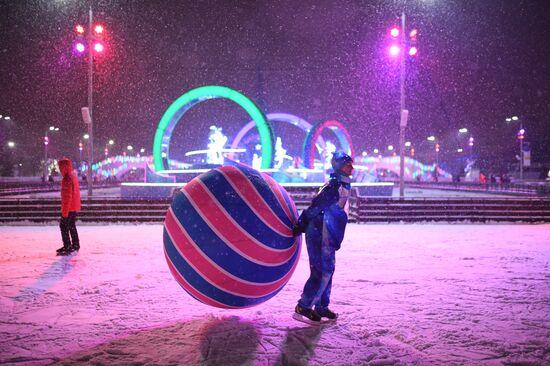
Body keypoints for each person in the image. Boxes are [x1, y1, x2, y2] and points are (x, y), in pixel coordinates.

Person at [292, 151, 354, 324]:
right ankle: (303, 307)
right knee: (321, 271)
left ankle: (321, 306)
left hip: (329, 233)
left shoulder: (342, 184)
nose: (352, 168)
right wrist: (301, 224)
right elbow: (315, 207)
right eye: (348, 165)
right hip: (320, 232)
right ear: (340, 166)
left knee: (328, 270)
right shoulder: (334, 186)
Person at [56, 158, 81, 255]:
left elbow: (67, 197)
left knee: (63, 225)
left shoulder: (66, 178)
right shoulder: (73, 176)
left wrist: (64, 213)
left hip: (69, 208)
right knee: (71, 225)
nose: (59, 169)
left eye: (60, 167)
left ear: (64, 167)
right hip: (74, 206)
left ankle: (67, 246)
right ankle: (75, 244)